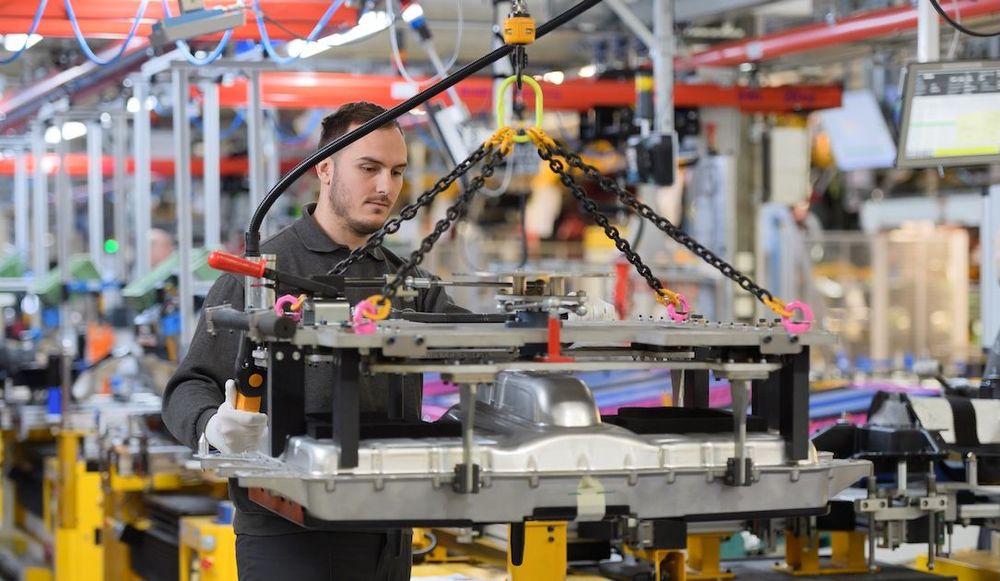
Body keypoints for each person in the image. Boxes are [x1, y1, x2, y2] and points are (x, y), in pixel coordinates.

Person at [162, 102, 465, 581]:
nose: (387, 187)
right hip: (290, 539)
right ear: (324, 169)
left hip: (389, 536)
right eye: (369, 168)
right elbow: (187, 386)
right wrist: (211, 428)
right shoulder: (264, 272)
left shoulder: (409, 282)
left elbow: (476, 341)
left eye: (397, 171)